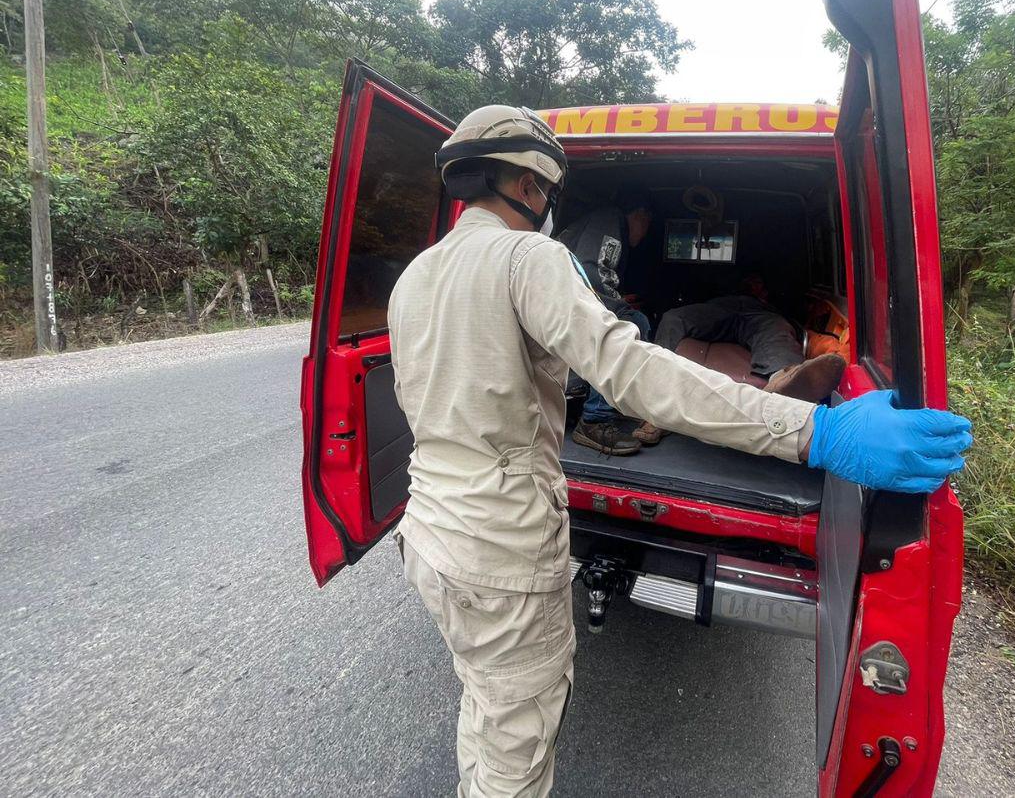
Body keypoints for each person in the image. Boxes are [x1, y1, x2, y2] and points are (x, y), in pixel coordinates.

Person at [386, 104, 973, 797]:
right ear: (526, 184)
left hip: (427, 529)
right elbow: (634, 373)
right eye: (546, 192)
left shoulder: (416, 275)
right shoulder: (530, 258)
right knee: (518, 742)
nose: (546, 208)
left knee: (487, 699)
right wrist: (811, 430)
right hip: (499, 545)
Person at [633, 273, 846, 444]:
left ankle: (785, 387)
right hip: (719, 310)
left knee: (776, 330)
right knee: (673, 318)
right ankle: (656, 406)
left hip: (760, 316)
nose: (754, 286)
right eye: (750, 283)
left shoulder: (769, 304)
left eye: (758, 284)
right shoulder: (721, 292)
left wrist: (765, 301)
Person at [557, 192, 654, 455]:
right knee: (633, 323)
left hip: (561, 303)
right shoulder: (610, 218)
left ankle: (616, 402)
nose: (645, 232)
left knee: (631, 316)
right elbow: (593, 271)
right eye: (647, 224)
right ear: (640, 216)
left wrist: (618, 299)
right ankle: (595, 419)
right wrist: (619, 307)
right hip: (561, 306)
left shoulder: (599, 222)